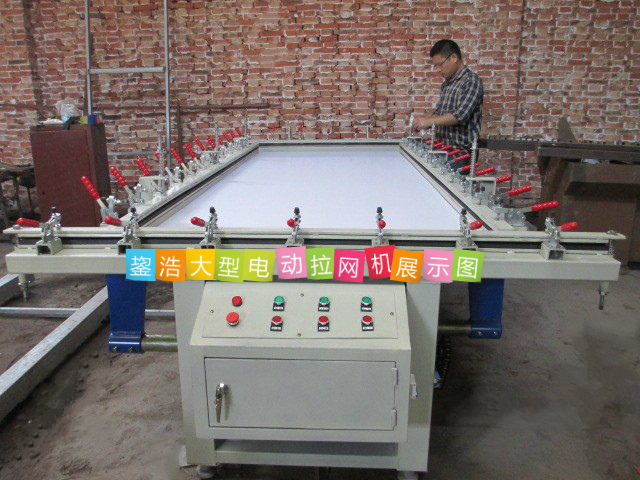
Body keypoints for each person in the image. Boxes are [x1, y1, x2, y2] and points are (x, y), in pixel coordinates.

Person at [413, 39, 484, 161]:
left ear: (454, 57)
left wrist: (429, 121)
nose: (438, 69)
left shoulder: (471, 81)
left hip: (460, 153)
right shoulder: (447, 84)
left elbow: (460, 115)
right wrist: (424, 120)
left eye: (440, 64)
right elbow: (441, 114)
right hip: (442, 150)